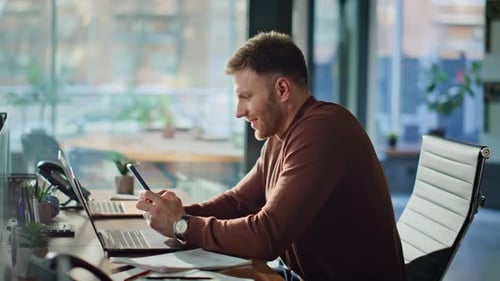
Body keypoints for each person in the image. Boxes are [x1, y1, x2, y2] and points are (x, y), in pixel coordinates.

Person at [136, 31, 407, 280]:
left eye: (246, 96)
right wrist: (173, 213)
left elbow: (267, 237)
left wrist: (182, 225)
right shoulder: (281, 135)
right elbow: (239, 203)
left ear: (282, 89)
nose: (239, 112)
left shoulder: (324, 129)